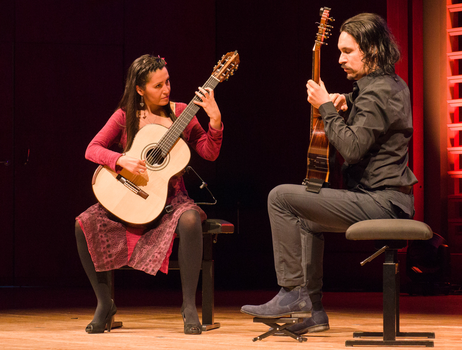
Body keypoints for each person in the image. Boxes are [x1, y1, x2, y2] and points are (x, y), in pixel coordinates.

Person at [241, 12, 417, 335]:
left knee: (279, 198)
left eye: (347, 51)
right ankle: (315, 310)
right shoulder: (387, 85)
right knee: (306, 217)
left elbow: (351, 148)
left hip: (381, 202)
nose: (339, 59)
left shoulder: (379, 92)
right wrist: (347, 102)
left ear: (372, 51)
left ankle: (293, 293)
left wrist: (325, 106)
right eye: (339, 51)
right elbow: (370, 110)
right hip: (382, 198)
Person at [75, 54, 223, 335]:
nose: (166, 89)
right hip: (131, 192)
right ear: (140, 90)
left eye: (167, 82)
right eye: (158, 86)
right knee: (83, 223)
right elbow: (92, 149)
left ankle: (188, 306)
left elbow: (209, 152)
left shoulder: (182, 112)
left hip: (171, 199)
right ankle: (105, 304)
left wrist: (215, 120)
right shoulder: (125, 115)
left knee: (191, 220)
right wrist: (120, 161)